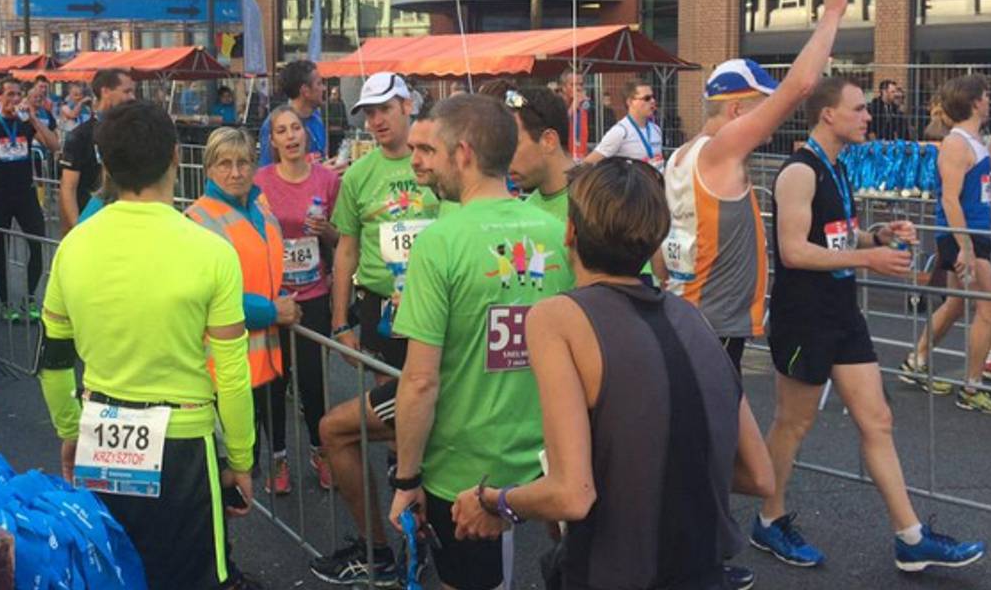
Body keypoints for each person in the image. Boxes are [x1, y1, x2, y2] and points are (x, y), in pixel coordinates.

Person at [450, 158, 774, 590]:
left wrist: (494, 502)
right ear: (655, 238)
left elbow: (572, 492)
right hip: (703, 570)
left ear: (571, 232)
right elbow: (759, 475)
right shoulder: (691, 317)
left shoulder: (557, 317)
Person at [754, 75, 986, 572]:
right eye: (858, 109)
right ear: (828, 115)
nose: (867, 116)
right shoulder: (799, 171)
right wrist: (873, 259)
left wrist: (874, 234)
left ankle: (911, 536)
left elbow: (835, 234)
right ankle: (769, 520)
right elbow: (793, 252)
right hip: (805, 315)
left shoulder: (837, 167)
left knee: (877, 419)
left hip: (841, 310)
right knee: (793, 423)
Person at [36, 99, 260, 590]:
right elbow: (233, 370)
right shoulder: (211, 251)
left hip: (102, 429)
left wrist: (70, 429)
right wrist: (242, 459)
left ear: (106, 165)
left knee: (114, 572)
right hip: (183, 437)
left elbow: (52, 361)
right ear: (178, 157)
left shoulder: (73, 246)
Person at [388, 93, 573, 590]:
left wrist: (407, 479)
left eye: (436, 151)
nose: (425, 164)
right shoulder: (558, 232)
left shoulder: (439, 244)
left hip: (463, 471)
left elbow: (421, 380)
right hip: (548, 460)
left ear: (463, 154)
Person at [662, 0, 862, 377]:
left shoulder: (681, 155)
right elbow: (801, 87)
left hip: (693, 316)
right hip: (709, 325)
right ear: (736, 109)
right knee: (712, 437)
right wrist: (831, 13)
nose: (773, 115)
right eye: (762, 104)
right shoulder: (719, 151)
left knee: (731, 435)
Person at [308, 110, 441, 585]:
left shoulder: (453, 202)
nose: (419, 165)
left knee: (407, 426)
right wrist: (342, 318)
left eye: (428, 154)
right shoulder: (361, 174)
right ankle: (402, 526)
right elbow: (346, 246)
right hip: (385, 310)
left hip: (433, 331)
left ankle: (406, 538)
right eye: (369, 112)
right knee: (396, 418)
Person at [186, 127, 295, 493]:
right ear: (209, 169)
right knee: (223, 478)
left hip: (263, 362)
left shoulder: (261, 210)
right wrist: (271, 312)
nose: (235, 172)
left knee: (245, 474)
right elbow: (211, 293)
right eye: (224, 164)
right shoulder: (197, 219)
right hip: (222, 367)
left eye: (244, 162)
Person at [902, 75, 991, 410]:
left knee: (955, 304)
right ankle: (972, 388)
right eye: (988, 97)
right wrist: (966, 247)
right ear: (976, 102)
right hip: (963, 235)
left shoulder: (975, 142)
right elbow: (950, 199)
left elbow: (983, 195)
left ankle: (916, 362)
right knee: (990, 309)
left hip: (976, 233)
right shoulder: (957, 143)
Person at [254, 107, 340, 491]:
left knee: (312, 382)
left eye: (296, 129)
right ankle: (278, 460)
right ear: (271, 141)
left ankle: (321, 453)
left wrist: (327, 231)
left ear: (306, 135)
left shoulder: (327, 179)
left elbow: (342, 239)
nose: (290, 137)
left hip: (314, 294)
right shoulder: (259, 182)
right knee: (273, 380)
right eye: (281, 131)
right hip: (272, 297)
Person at [0, 76, 60, 322]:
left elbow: (54, 146)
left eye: (18, 94)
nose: (15, 100)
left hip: (26, 193)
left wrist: (31, 118)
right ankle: (6, 304)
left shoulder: (26, 124)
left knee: (36, 244)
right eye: (9, 94)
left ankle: (30, 298)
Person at [58, 70, 136, 232]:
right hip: (92, 220)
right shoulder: (80, 135)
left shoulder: (130, 130)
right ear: (105, 92)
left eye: (133, 92)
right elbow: (68, 187)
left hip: (125, 220)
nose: (132, 98)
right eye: (126, 91)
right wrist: (77, 228)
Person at [506, 87, 573, 222]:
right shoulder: (525, 212)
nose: (505, 157)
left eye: (513, 144)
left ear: (549, 141)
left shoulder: (597, 206)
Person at [259, 60, 328, 166]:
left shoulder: (316, 117)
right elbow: (267, 174)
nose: (324, 88)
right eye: (319, 83)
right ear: (305, 91)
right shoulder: (274, 124)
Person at [585, 79, 663, 171]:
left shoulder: (656, 129)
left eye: (653, 97)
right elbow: (589, 162)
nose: (652, 101)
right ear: (630, 102)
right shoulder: (620, 131)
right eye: (647, 98)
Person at [559, 69, 589, 158]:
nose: (578, 88)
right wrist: (573, 107)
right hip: (563, 157)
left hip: (580, 156)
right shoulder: (556, 104)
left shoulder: (581, 104)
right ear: (564, 87)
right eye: (573, 84)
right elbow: (558, 126)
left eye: (581, 84)